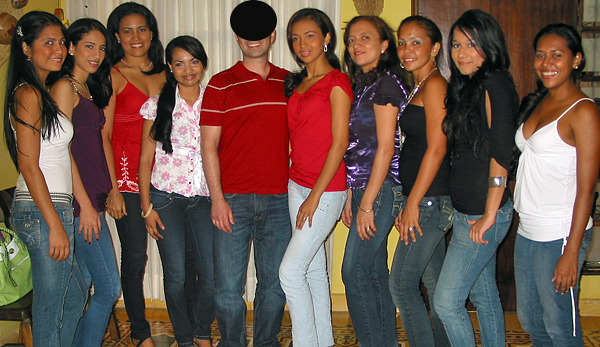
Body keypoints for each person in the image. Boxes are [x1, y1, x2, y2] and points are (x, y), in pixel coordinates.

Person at [200, 2, 291, 346]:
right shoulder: (220, 85)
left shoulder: (289, 82)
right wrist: (217, 199)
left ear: (272, 36)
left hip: (280, 202)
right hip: (233, 201)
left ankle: (266, 343)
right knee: (226, 290)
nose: (253, 39)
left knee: (274, 285)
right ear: (238, 37)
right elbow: (208, 145)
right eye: (246, 33)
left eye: (260, 32)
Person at [433, 9, 518, 347]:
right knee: (484, 299)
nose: (462, 53)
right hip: (468, 211)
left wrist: (490, 214)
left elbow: (501, 154)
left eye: (471, 44)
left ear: (489, 45)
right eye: (456, 45)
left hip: (485, 213)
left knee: (446, 302)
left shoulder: (495, 81)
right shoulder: (466, 86)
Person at [3, 11, 87, 347]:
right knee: (51, 311)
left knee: (75, 295)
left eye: (61, 43)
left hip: (52, 207)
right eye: (47, 43)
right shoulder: (28, 95)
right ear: (26, 48)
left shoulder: (41, 92)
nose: (59, 49)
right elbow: (29, 166)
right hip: (43, 210)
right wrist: (53, 223)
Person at [514, 23, 600, 347]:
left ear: (576, 59)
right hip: (529, 232)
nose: (546, 62)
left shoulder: (584, 112)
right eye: (540, 55)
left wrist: (572, 251)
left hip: (560, 234)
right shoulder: (541, 101)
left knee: (561, 327)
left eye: (557, 55)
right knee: (532, 321)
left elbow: (586, 190)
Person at [278, 8, 352, 347]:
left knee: (290, 272)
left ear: (326, 38)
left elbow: (339, 143)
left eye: (310, 35)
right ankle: (323, 342)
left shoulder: (337, 82)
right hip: (297, 183)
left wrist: (315, 196)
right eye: (295, 38)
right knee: (312, 271)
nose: (302, 43)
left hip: (324, 190)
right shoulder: (297, 83)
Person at [47, 18, 120, 347]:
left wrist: (111, 190)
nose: (97, 54)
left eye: (102, 48)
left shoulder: (87, 88)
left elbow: (97, 143)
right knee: (107, 289)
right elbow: (60, 150)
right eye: (89, 46)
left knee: (84, 285)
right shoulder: (64, 86)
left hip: (92, 199)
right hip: (79, 205)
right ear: (71, 47)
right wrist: (86, 207)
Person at [138, 35, 214, 347]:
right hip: (165, 198)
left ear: (203, 64)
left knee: (211, 275)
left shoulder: (215, 102)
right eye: (179, 63)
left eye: (193, 61)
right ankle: (185, 337)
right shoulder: (158, 104)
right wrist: (146, 208)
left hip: (204, 198)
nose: (187, 69)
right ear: (170, 67)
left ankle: (201, 330)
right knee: (177, 275)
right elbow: (145, 159)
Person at [340, 15, 408, 347]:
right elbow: (358, 148)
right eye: (351, 39)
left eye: (365, 38)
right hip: (366, 187)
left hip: (380, 190)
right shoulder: (363, 82)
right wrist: (353, 196)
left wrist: (367, 202)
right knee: (374, 273)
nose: (356, 45)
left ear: (384, 44)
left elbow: (386, 147)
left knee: (353, 273)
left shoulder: (386, 83)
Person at [104, 3, 166, 346]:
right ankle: (141, 334)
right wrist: (112, 189)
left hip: (166, 179)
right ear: (117, 37)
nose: (135, 37)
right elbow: (103, 135)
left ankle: (188, 330)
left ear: (152, 32)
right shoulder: (112, 75)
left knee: (179, 261)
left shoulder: (167, 74)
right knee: (135, 257)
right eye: (126, 31)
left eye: (141, 29)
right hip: (126, 180)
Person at [389, 15, 451, 347]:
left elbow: (438, 147)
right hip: (423, 199)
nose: (407, 49)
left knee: (400, 285)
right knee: (438, 290)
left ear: (435, 47)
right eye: (402, 41)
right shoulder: (421, 83)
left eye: (416, 42)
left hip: (429, 202)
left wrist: (412, 203)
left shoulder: (436, 84)